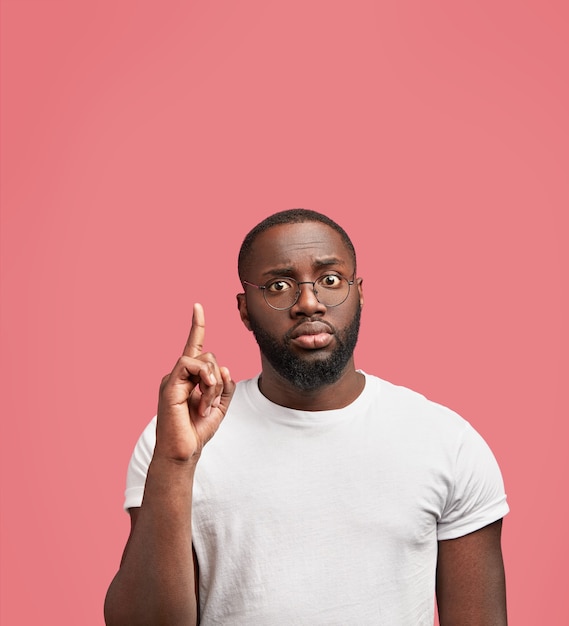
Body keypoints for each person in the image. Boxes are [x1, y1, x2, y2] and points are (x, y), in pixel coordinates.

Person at [104, 208, 509, 625]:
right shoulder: (177, 440)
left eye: (330, 280)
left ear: (360, 292)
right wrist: (173, 465)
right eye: (279, 286)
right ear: (244, 310)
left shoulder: (447, 442)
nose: (309, 303)